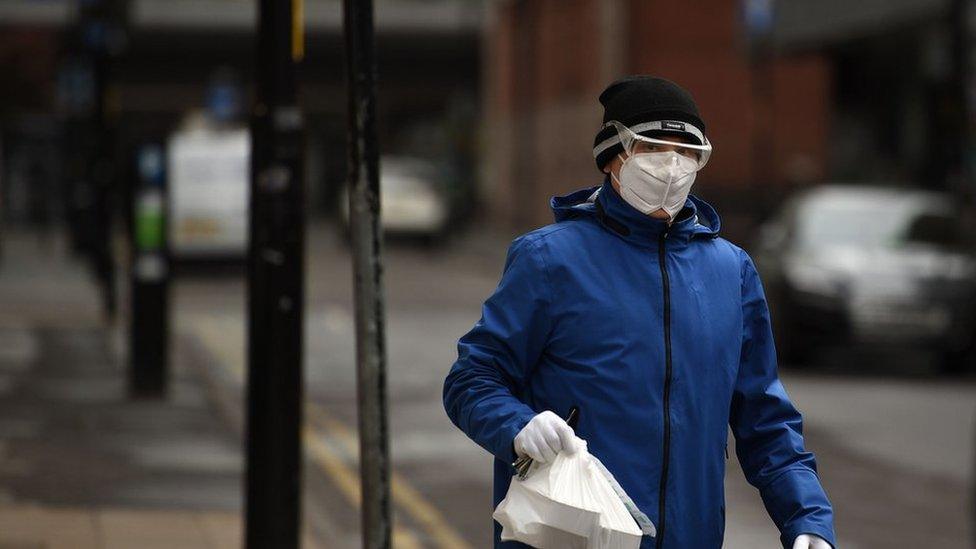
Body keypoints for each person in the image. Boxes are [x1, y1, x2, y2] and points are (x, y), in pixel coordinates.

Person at [443, 76, 836, 549]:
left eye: (687, 150)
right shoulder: (549, 260)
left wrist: (807, 518)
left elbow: (765, 419)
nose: (671, 165)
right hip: (571, 534)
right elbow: (471, 379)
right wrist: (517, 427)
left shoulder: (731, 271)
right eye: (653, 146)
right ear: (613, 158)